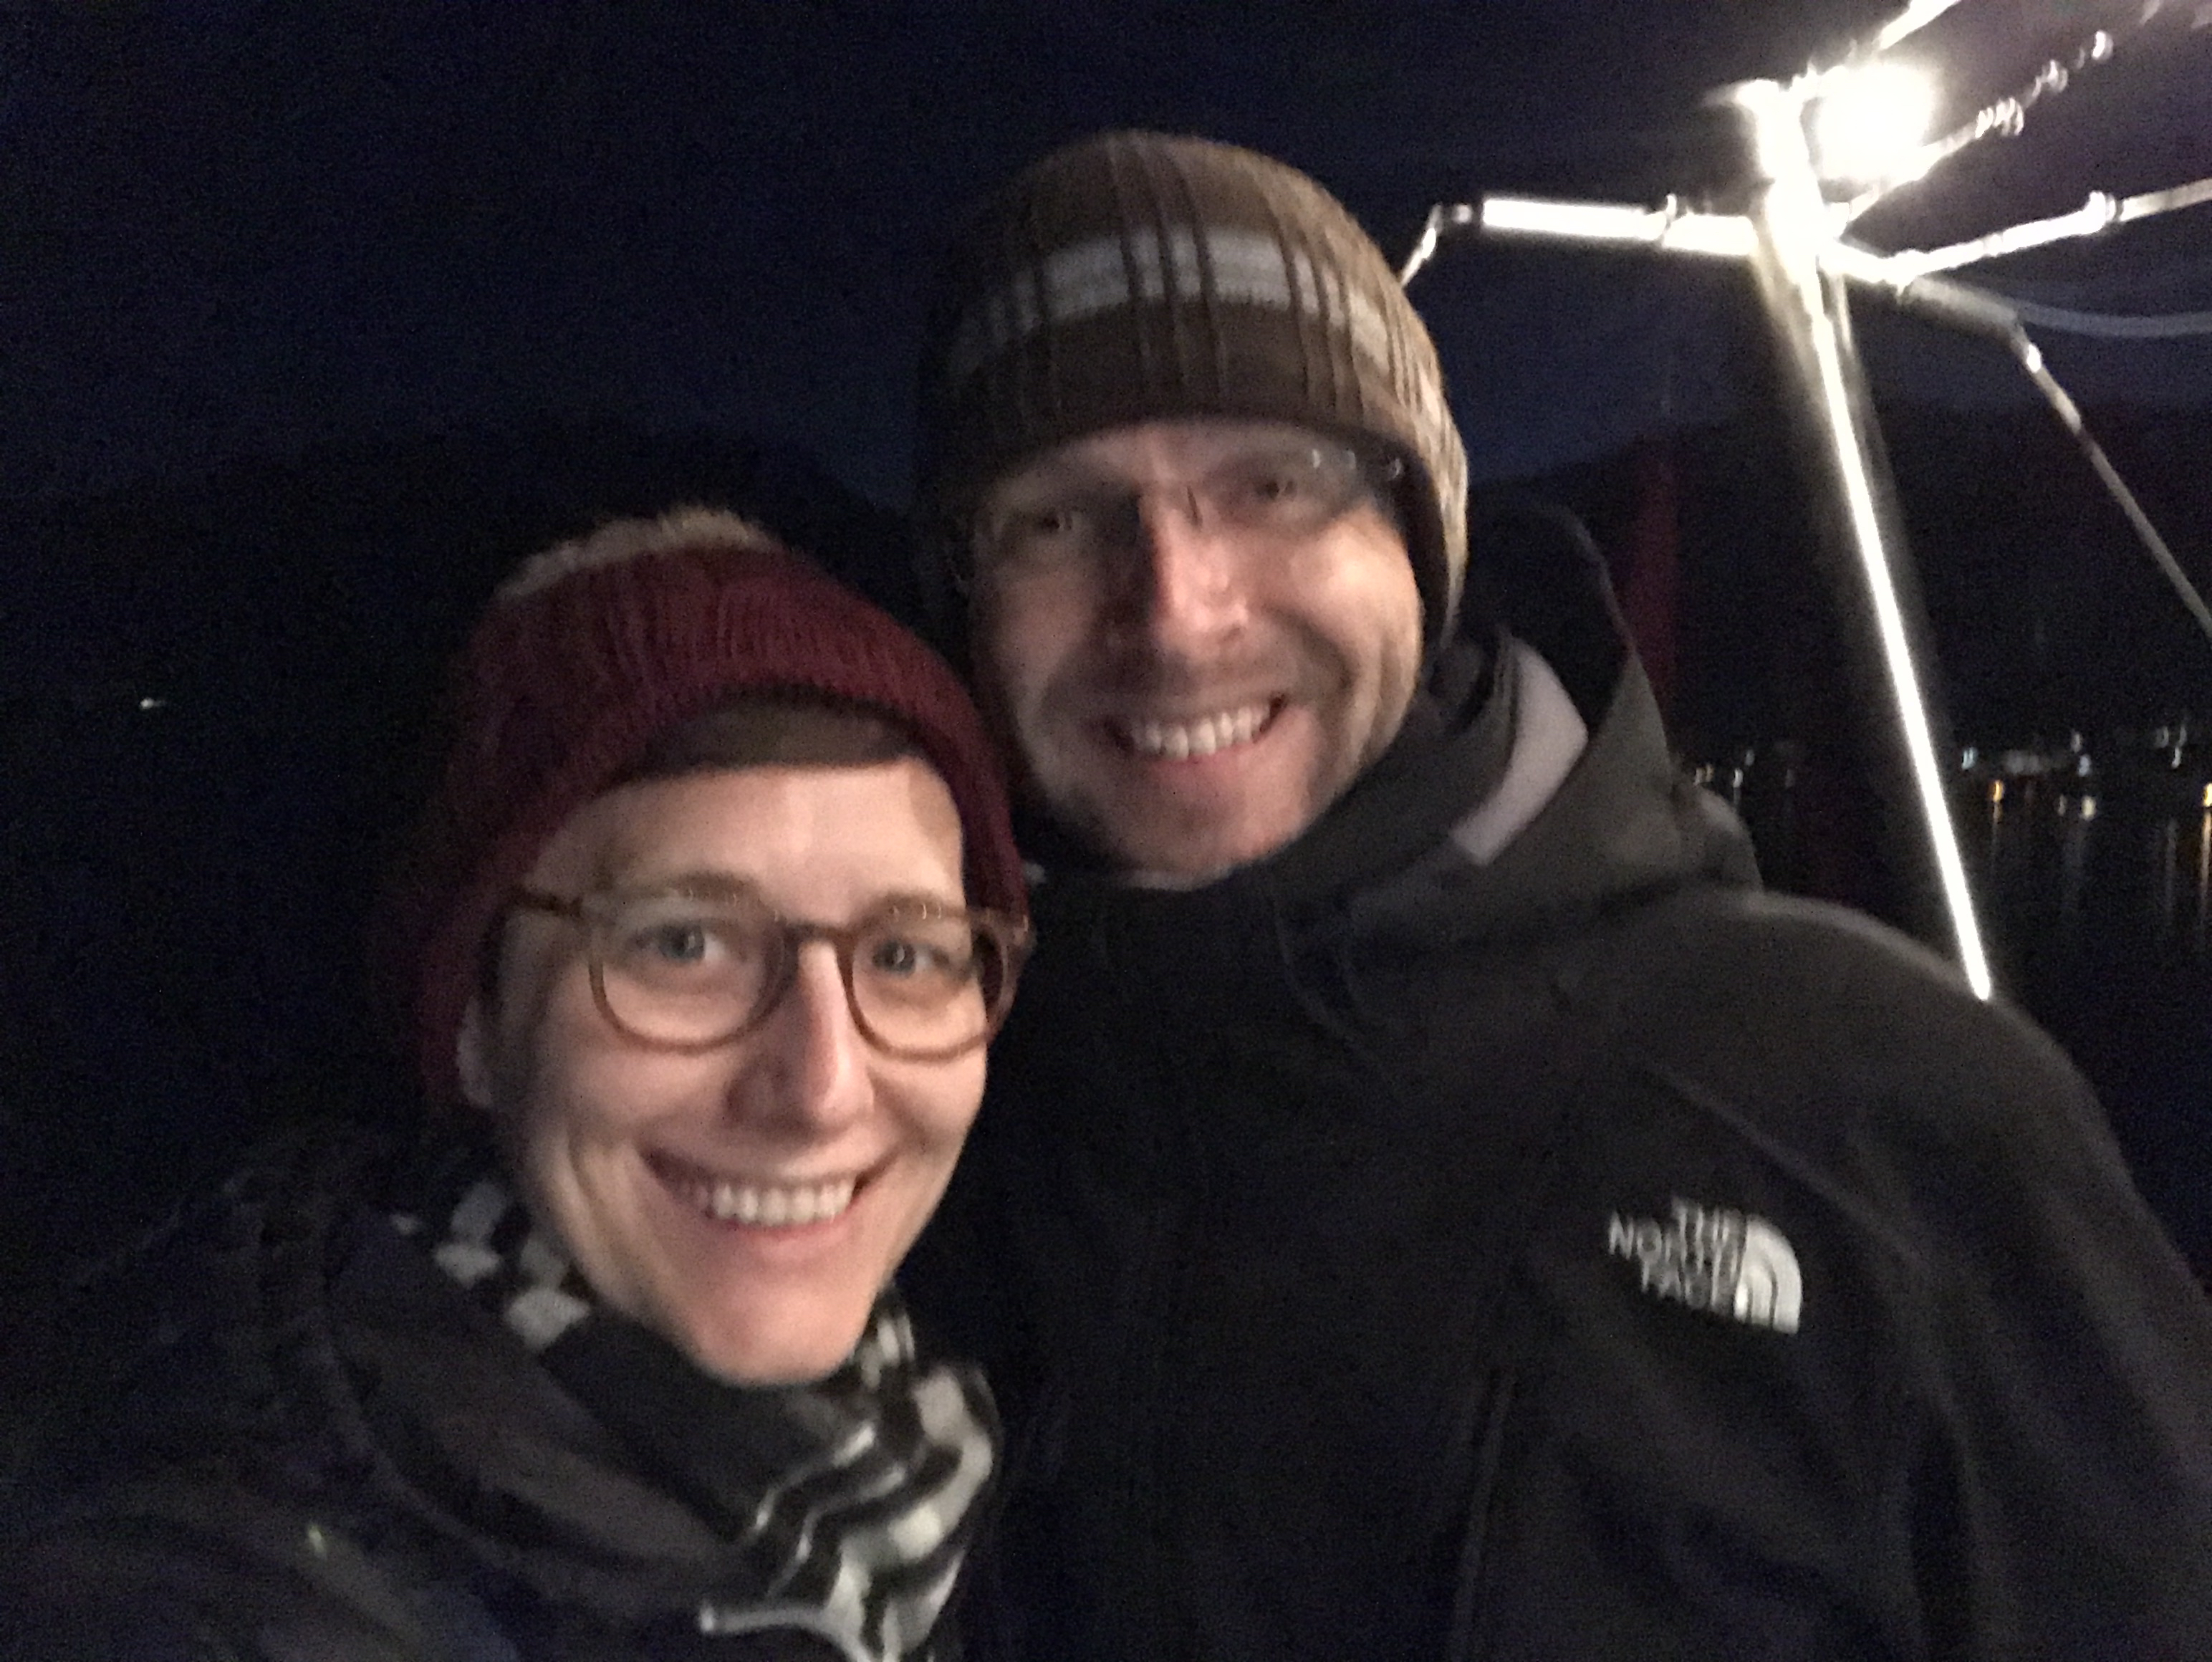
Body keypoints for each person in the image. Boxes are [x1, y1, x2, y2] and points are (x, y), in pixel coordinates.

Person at [902, 130, 2212, 1660]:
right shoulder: (897, 1123)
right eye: (1055, 520)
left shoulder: (1876, 1109)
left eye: (1271, 484)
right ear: (961, 600)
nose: (1177, 613)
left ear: (1421, 538)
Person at [2, 509, 1031, 1661]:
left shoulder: (925, 1448)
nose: (823, 1088)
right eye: (683, 944)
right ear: (476, 1024)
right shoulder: (206, 1589)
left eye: (907, 956)